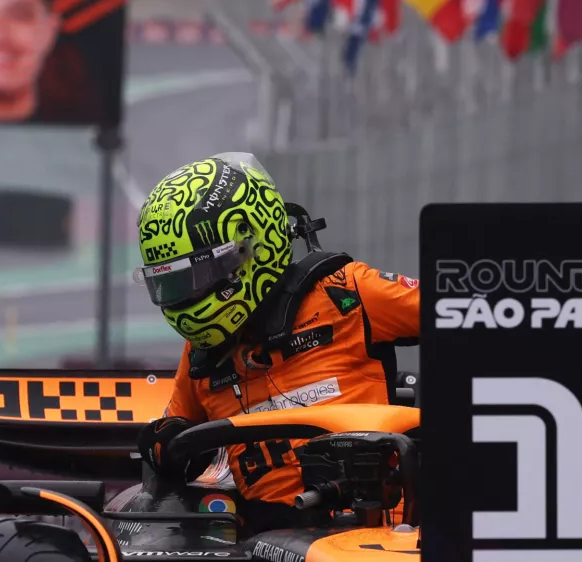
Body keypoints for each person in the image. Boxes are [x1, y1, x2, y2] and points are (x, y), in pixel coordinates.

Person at [134, 152, 420, 533]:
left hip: (383, 534)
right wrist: (160, 443)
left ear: (251, 243)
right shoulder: (200, 356)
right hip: (264, 543)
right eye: (171, 283)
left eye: (198, 275)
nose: (186, 297)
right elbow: (174, 437)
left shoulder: (347, 292)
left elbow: (473, 314)